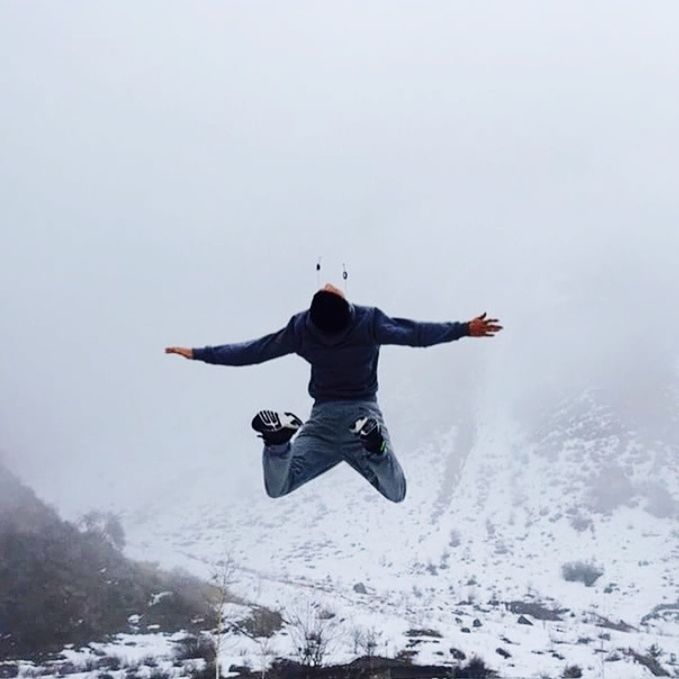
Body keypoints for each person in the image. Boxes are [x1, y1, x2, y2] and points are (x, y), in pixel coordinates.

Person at [165, 284, 502, 503]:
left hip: (323, 422)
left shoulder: (302, 330)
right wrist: (462, 329)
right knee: (396, 492)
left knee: (277, 487)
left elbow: (254, 351)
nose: (329, 284)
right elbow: (414, 334)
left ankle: (278, 443)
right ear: (347, 308)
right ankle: (376, 448)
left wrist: (200, 352)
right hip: (362, 416)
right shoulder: (368, 322)